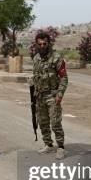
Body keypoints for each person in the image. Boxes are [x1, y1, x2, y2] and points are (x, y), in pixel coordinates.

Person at [31, 30, 68, 159]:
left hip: (52, 96)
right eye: (39, 44)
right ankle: (48, 144)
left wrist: (60, 94)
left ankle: (61, 147)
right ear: (36, 45)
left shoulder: (57, 58)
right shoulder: (36, 58)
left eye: (44, 44)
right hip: (40, 96)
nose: (42, 46)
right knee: (43, 122)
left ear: (49, 44)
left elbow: (64, 78)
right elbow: (36, 76)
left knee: (55, 122)